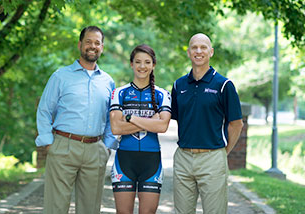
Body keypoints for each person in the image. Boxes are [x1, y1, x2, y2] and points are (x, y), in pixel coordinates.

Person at [35, 26, 117, 214]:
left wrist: (107, 146)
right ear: (80, 44)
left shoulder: (108, 81)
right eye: (88, 41)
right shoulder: (60, 76)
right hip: (63, 146)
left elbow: (110, 117)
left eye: (97, 43)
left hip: (95, 150)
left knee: (90, 209)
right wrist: (49, 143)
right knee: (56, 207)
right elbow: (44, 110)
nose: (92, 46)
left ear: (102, 47)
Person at [171, 33, 244, 214]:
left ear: (211, 52)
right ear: (188, 52)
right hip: (183, 158)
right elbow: (177, 118)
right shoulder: (178, 85)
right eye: (194, 47)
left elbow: (236, 124)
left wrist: (223, 152)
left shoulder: (224, 85)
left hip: (212, 158)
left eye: (203, 47)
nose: (199, 51)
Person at [109, 44, 172, 214]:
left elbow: (162, 126)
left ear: (153, 65)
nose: (142, 66)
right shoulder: (119, 93)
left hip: (151, 162)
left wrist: (130, 118)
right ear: (131, 64)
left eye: (147, 62)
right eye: (138, 62)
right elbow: (116, 127)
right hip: (124, 161)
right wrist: (149, 121)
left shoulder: (162, 94)